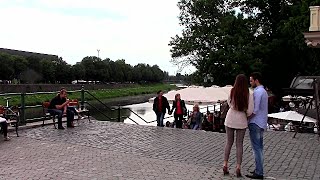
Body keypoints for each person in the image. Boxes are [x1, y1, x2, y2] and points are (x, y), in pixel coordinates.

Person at [223, 74, 254, 177]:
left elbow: (229, 102)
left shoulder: (232, 91)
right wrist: (245, 113)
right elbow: (250, 110)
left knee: (229, 142)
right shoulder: (249, 93)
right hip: (241, 119)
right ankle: (238, 166)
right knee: (239, 144)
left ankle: (225, 164)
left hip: (230, 117)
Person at [246, 72, 268, 179]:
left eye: (251, 80)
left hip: (256, 122)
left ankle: (259, 172)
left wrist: (247, 118)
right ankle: (258, 169)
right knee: (259, 147)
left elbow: (255, 109)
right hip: (262, 122)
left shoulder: (258, 92)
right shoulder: (263, 91)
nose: (250, 82)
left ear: (256, 80)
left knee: (257, 148)